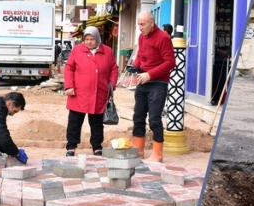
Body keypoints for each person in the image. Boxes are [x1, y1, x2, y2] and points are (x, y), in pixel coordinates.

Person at [63, 26, 119, 157]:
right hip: (78, 93)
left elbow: (114, 69)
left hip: (99, 93)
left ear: (97, 39)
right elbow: (69, 68)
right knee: (75, 122)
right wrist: (69, 86)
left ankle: (97, 147)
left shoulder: (107, 51)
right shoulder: (77, 50)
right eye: (86, 39)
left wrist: (111, 85)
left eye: (91, 39)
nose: (88, 42)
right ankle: (71, 147)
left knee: (97, 123)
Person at [128, 11, 175, 162]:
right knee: (138, 116)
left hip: (158, 83)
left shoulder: (164, 38)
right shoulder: (141, 37)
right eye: (138, 25)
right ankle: (138, 150)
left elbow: (170, 63)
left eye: (142, 24)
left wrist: (150, 74)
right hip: (143, 80)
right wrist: (135, 66)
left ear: (151, 23)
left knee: (154, 118)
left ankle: (157, 154)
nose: (140, 28)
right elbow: (141, 56)